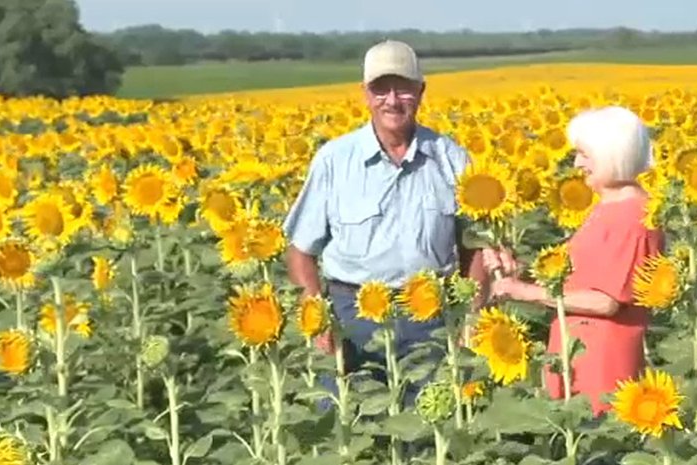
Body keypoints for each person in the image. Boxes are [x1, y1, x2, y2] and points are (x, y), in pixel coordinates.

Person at [282, 39, 488, 407]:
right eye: (380, 89)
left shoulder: (450, 158)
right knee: (347, 426)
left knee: (428, 433)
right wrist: (315, 312)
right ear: (364, 94)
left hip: (431, 317)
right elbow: (300, 251)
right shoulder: (335, 160)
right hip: (351, 316)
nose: (392, 100)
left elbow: (475, 247)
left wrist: (471, 319)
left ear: (421, 91)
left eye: (403, 88)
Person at [482, 106, 664, 416]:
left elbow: (606, 300)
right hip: (578, 350)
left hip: (603, 361)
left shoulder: (632, 216)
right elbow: (581, 276)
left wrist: (526, 293)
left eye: (585, 154)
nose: (577, 163)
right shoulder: (609, 208)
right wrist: (520, 273)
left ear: (612, 154)